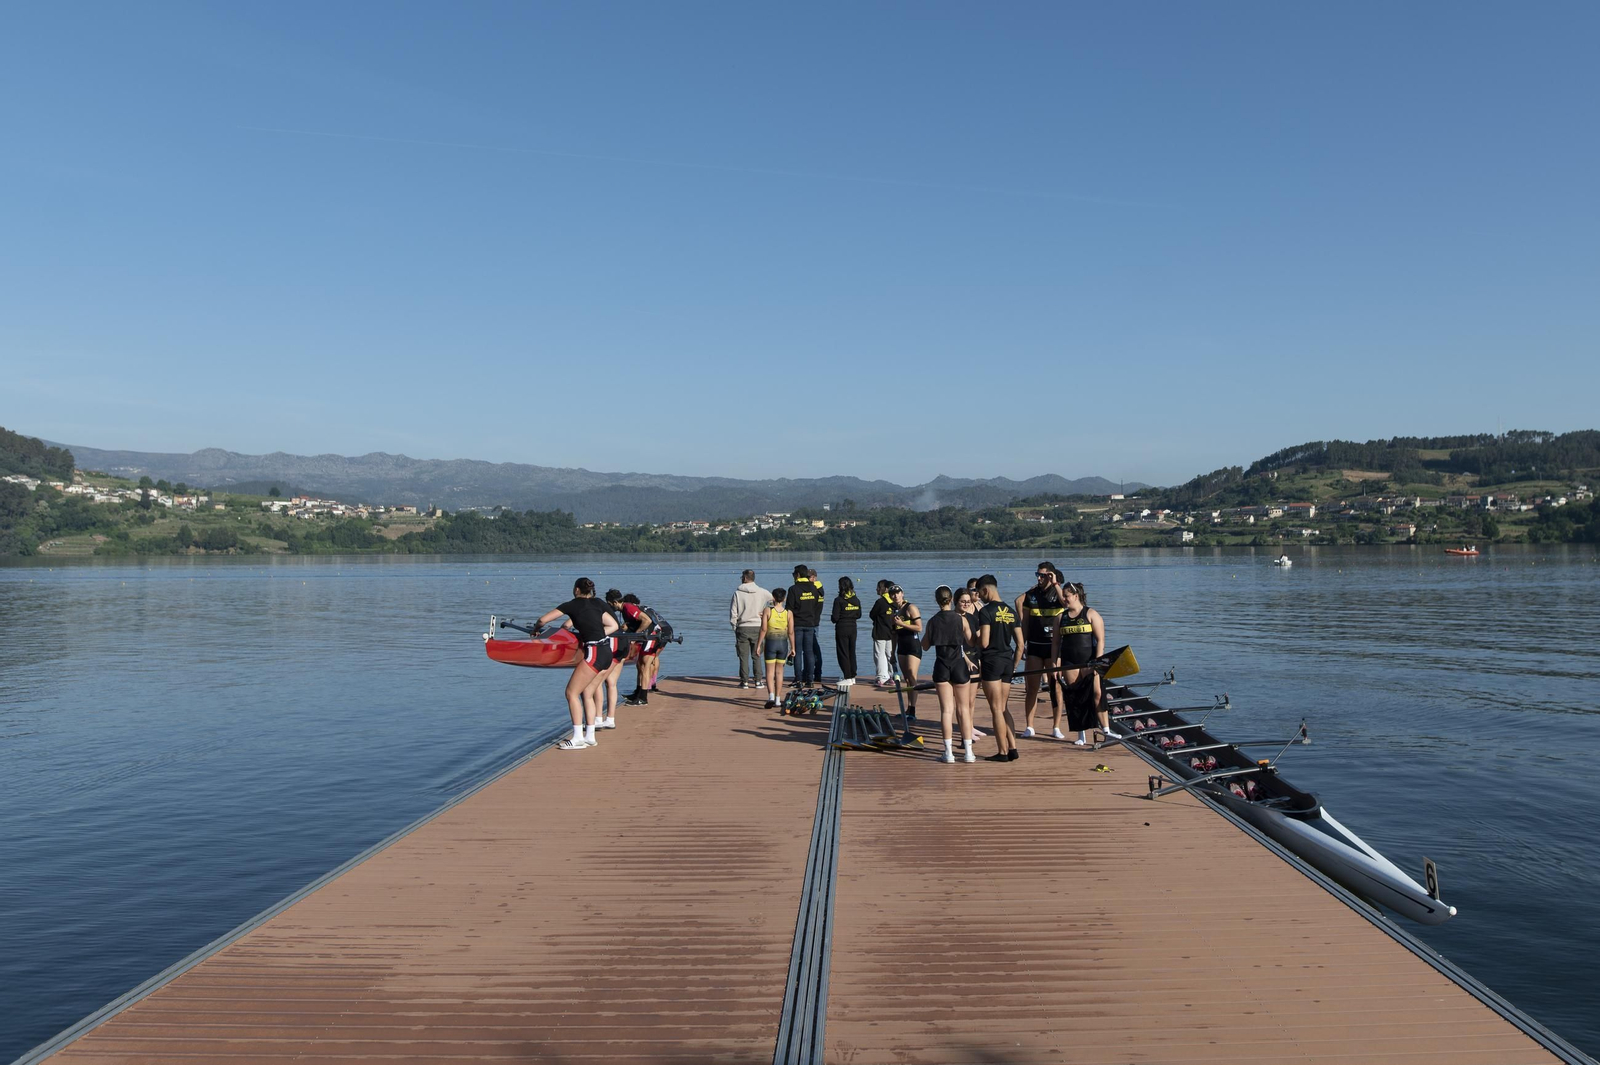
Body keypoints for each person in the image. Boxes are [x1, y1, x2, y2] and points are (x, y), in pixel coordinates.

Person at [534, 577, 619, 751]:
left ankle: (578, 738)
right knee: (587, 692)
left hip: (594, 652)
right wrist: (594, 632)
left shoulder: (571, 605)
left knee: (571, 693)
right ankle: (590, 737)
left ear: (577, 590)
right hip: (606, 652)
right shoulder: (598, 603)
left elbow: (543, 620)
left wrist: (536, 629)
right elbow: (614, 625)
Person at [1052, 581, 1119, 743]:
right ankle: (1081, 734)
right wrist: (1054, 666)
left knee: (1097, 694)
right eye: (1063, 596)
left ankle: (1106, 730)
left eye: (1066, 596)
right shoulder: (1061, 617)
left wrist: (1097, 662)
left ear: (1076, 596)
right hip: (1070, 663)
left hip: (1090, 662)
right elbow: (1055, 644)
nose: (1064, 599)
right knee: (1075, 698)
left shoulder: (1091, 614)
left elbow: (1100, 640)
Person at [922, 586, 975, 763]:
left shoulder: (932, 621)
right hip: (959, 665)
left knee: (947, 710)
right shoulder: (961, 620)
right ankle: (968, 753)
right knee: (964, 709)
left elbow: (925, 645)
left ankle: (949, 753)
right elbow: (971, 641)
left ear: (937, 600)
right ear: (951, 599)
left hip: (941, 665)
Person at [974, 574, 1024, 761]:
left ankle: (1002, 752)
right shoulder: (1011, 611)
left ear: (986, 590)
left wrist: (973, 639)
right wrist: (1014, 665)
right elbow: (1020, 644)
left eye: (980, 593)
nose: (980, 597)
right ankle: (1013, 748)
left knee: (995, 708)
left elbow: (984, 642)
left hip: (991, 662)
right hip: (1007, 662)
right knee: (1004, 708)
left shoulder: (986, 612)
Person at [1015, 562, 1065, 738]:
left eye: (1043, 575)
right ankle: (1029, 726)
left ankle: (1056, 727)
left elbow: (1066, 603)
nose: (1039, 578)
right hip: (1035, 646)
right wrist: (1022, 645)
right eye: (1037, 574)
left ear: (1051, 575)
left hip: (1054, 648)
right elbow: (1025, 622)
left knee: (1056, 688)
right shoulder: (1031, 595)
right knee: (1032, 688)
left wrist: (1056, 582)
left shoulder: (1059, 593)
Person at [617, 594, 666, 705]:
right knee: (640, 665)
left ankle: (643, 697)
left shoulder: (631, 609)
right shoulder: (642, 608)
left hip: (655, 635)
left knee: (645, 665)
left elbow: (647, 622)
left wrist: (634, 634)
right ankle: (639, 692)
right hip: (658, 633)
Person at [729, 570, 770, 690]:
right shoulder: (762, 591)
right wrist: (767, 612)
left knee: (743, 656)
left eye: (742, 577)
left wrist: (734, 627)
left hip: (742, 627)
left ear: (745, 578)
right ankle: (758, 681)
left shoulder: (737, 593)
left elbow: (733, 613)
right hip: (758, 626)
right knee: (757, 655)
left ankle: (744, 681)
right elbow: (776, 600)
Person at [757, 586, 795, 710]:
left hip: (770, 644)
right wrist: (793, 648)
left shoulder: (767, 611)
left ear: (773, 598)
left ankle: (771, 697)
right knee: (779, 672)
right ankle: (778, 700)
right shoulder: (788, 613)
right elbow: (791, 632)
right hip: (783, 644)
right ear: (784, 599)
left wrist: (758, 645)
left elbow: (763, 629)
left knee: (769, 672)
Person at [787, 565, 825, 688]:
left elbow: (789, 609)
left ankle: (798, 680)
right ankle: (810, 680)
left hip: (797, 624)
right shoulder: (814, 588)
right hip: (810, 623)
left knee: (797, 652)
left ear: (797, 575)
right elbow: (816, 605)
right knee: (809, 652)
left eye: (794, 574)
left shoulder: (793, 589)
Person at [890, 585, 923, 719]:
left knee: (912, 676)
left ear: (902, 594)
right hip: (901, 646)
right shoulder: (894, 612)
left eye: (898, 593)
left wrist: (903, 624)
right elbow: (894, 635)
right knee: (907, 679)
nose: (895, 596)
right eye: (893, 594)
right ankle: (908, 709)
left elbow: (919, 627)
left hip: (913, 646)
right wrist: (892, 652)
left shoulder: (911, 608)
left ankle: (913, 710)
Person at [830, 575, 862, 684]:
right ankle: (852, 676)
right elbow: (859, 615)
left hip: (842, 627)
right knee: (851, 651)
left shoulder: (838, 600)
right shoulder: (856, 599)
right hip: (853, 627)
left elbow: (835, 617)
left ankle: (847, 676)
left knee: (843, 652)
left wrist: (834, 619)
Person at [869, 579, 896, 686]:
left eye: (878, 587)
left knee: (879, 654)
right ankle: (892, 676)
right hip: (892, 632)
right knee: (890, 654)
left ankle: (881, 677)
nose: (877, 589)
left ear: (884, 589)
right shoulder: (895, 602)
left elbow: (872, 614)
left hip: (880, 631)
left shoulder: (880, 602)